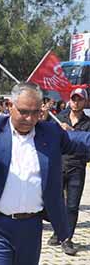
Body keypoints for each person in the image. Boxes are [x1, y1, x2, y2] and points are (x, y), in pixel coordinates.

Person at [0, 82, 90, 265]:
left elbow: (80, 141)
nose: (29, 118)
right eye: (23, 111)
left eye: (35, 113)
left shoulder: (50, 133)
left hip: (31, 226)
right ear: (9, 106)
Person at [52, 88, 90, 255]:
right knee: (56, 203)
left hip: (77, 167)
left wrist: (71, 132)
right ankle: (57, 231)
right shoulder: (59, 118)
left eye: (79, 99)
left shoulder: (88, 123)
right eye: (74, 99)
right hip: (58, 165)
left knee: (72, 206)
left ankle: (67, 239)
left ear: (85, 102)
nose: (76, 102)